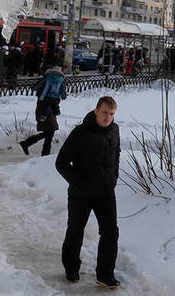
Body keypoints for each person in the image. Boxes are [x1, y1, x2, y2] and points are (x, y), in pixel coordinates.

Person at [56, 96, 121, 289]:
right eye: (104, 113)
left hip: (106, 193)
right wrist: (79, 183)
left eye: (111, 114)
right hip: (80, 195)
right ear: (96, 111)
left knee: (111, 233)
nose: (108, 117)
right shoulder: (80, 133)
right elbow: (61, 163)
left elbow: (117, 152)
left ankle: (105, 275)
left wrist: (114, 177)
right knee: (75, 232)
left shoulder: (115, 130)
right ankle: (71, 268)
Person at [19, 67, 67, 156]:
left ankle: (28, 143)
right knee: (51, 131)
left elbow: (38, 93)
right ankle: (43, 154)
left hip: (45, 110)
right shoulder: (55, 82)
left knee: (49, 132)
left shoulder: (45, 81)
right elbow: (59, 97)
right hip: (46, 111)